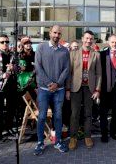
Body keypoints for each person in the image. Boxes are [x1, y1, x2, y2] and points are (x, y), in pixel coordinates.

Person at [34, 25, 70, 155]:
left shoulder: (65, 51)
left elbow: (67, 69)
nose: (56, 35)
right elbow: (38, 67)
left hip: (59, 90)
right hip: (44, 89)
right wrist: (50, 83)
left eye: (59, 33)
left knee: (58, 117)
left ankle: (58, 141)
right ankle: (40, 142)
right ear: (50, 33)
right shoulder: (41, 47)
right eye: (54, 33)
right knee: (42, 116)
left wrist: (58, 83)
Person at [66, 30, 102, 150]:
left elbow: (99, 74)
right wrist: (67, 89)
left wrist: (97, 90)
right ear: (82, 39)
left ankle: (87, 136)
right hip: (76, 87)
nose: (89, 40)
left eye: (91, 39)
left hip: (90, 88)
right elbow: (69, 73)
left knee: (88, 113)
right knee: (74, 114)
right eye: (87, 38)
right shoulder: (73, 53)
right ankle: (73, 138)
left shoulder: (96, 54)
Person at [100, 34, 116, 143]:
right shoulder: (101, 55)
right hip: (104, 89)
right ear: (108, 43)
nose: (114, 44)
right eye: (112, 42)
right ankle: (104, 134)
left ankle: (113, 133)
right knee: (103, 113)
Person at [0, 34, 16, 141]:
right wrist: (2, 75)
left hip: (11, 85)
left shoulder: (12, 54)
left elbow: (19, 68)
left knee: (11, 107)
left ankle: (9, 128)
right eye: (2, 42)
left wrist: (14, 67)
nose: (5, 44)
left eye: (6, 41)